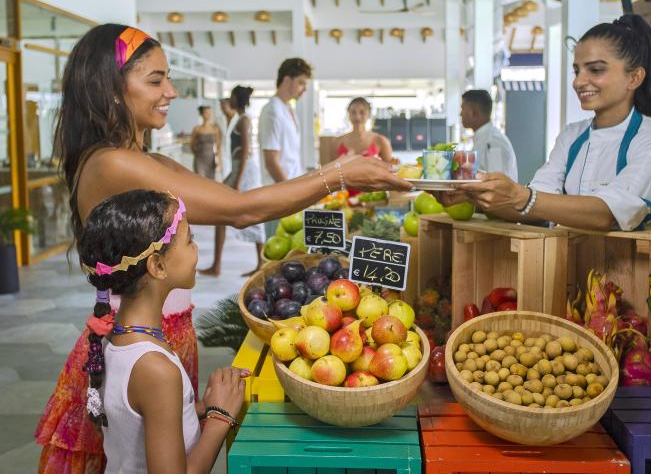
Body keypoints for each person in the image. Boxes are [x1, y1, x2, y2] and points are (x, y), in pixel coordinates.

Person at [36, 24, 410, 473]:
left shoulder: (140, 158)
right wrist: (342, 177)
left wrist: (339, 166)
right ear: (110, 89)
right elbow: (240, 210)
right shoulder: (114, 163)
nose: (170, 91)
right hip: (140, 339)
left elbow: (234, 201)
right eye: (155, 80)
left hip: (159, 329)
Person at [446, 14, 651, 232]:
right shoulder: (572, 137)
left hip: (633, 274)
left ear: (634, 77)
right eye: (577, 70)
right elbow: (536, 208)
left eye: (596, 69)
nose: (579, 82)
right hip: (567, 268)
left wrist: (521, 196)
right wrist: (474, 198)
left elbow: (607, 214)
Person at [78, 189, 246, 473]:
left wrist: (200, 407)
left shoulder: (118, 338)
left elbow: (137, 423)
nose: (195, 249)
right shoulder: (155, 369)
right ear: (157, 265)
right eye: (189, 240)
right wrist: (221, 417)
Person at [199, 86, 265, 277]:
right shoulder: (238, 118)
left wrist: (237, 180)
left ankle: (259, 262)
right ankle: (217, 265)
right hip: (238, 169)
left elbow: (245, 151)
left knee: (252, 212)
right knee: (222, 215)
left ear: (238, 98)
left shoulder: (243, 120)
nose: (229, 99)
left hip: (244, 171)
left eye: (232, 96)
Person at [259, 57, 311, 184]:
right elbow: (271, 162)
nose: (304, 89)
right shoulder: (272, 110)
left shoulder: (288, 108)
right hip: (279, 191)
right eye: (301, 83)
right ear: (287, 80)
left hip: (292, 187)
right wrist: (290, 190)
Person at [460, 89, 518, 181]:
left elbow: (498, 185)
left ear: (474, 113)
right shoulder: (483, 139)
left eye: (463, 109)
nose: (460, 114)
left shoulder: (493, 142)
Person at [331, 97, 392, 163]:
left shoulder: (381, 141)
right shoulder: (337, 142)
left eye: (362, 112)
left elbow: (389, 169)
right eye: (353, 112)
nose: (357, 117)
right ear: (348, 114)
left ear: (368, 115)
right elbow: (332, 169)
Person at [190, 105, 221, 179]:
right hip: (199, 159)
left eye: (210, 113)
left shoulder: (215, 129)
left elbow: (218, 145)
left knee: (211, 182)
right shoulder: (197, 129)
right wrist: (197, 154)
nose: (208, 115)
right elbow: (192, 144)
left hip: (211, 159)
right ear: (202, 114)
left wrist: (218, 160)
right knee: (200, 180)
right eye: (206, 113)